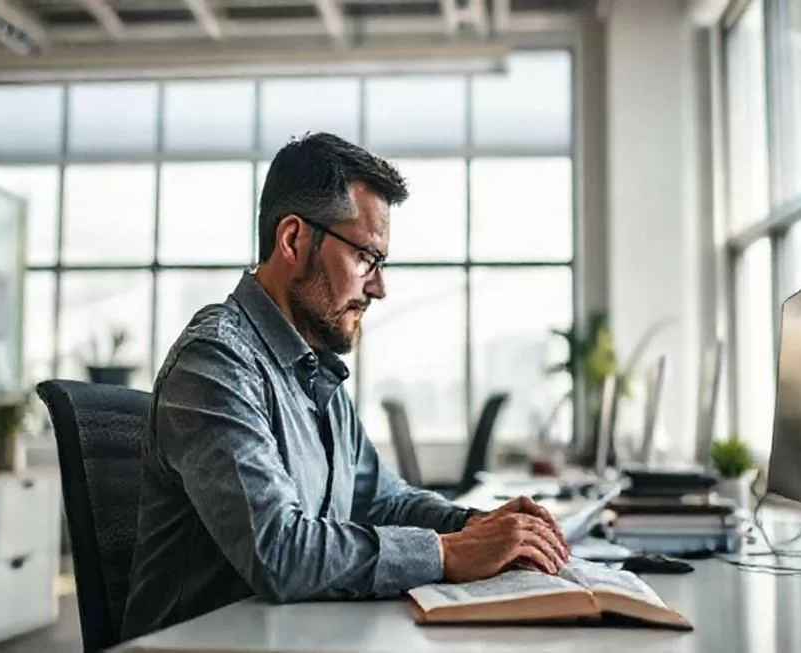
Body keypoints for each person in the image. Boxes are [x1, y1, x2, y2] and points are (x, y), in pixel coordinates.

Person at [119, 132, 571, 641]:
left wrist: (476, 525)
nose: (379, 287)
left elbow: (385, 503)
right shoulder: (215, 362)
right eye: (366, 258)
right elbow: (278, 551)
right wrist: (448, 552)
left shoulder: (317, 372)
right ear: (293, 240)